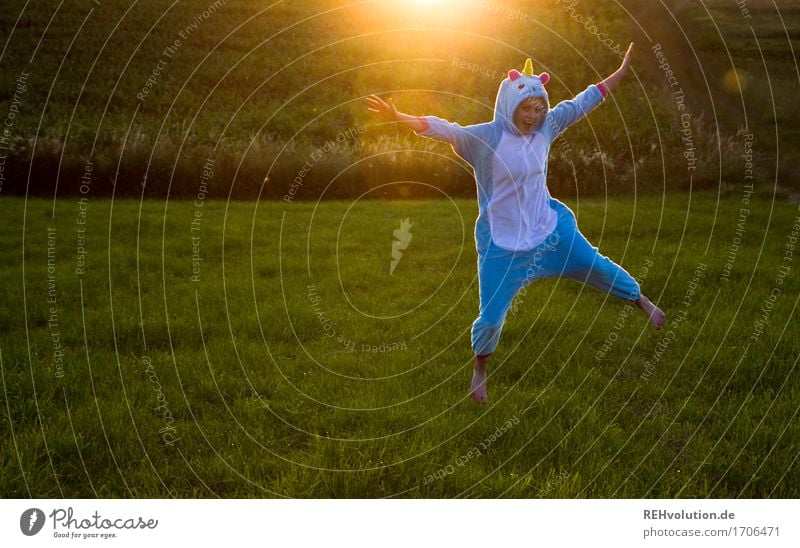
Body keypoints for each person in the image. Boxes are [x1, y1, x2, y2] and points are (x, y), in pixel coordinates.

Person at [366, 43, 665, 404]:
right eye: (526, 108)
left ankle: (642, 301)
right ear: (510, 105)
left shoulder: (547, 127)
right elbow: (446, 129)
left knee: (593, 264)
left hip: (549, 231)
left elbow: (583, 101)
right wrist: (401, 118)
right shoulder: (485, 138)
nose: (533, 115)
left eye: (538, 107)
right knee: (490, 319)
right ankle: (480, 369)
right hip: (502, 246)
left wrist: (619, 73)